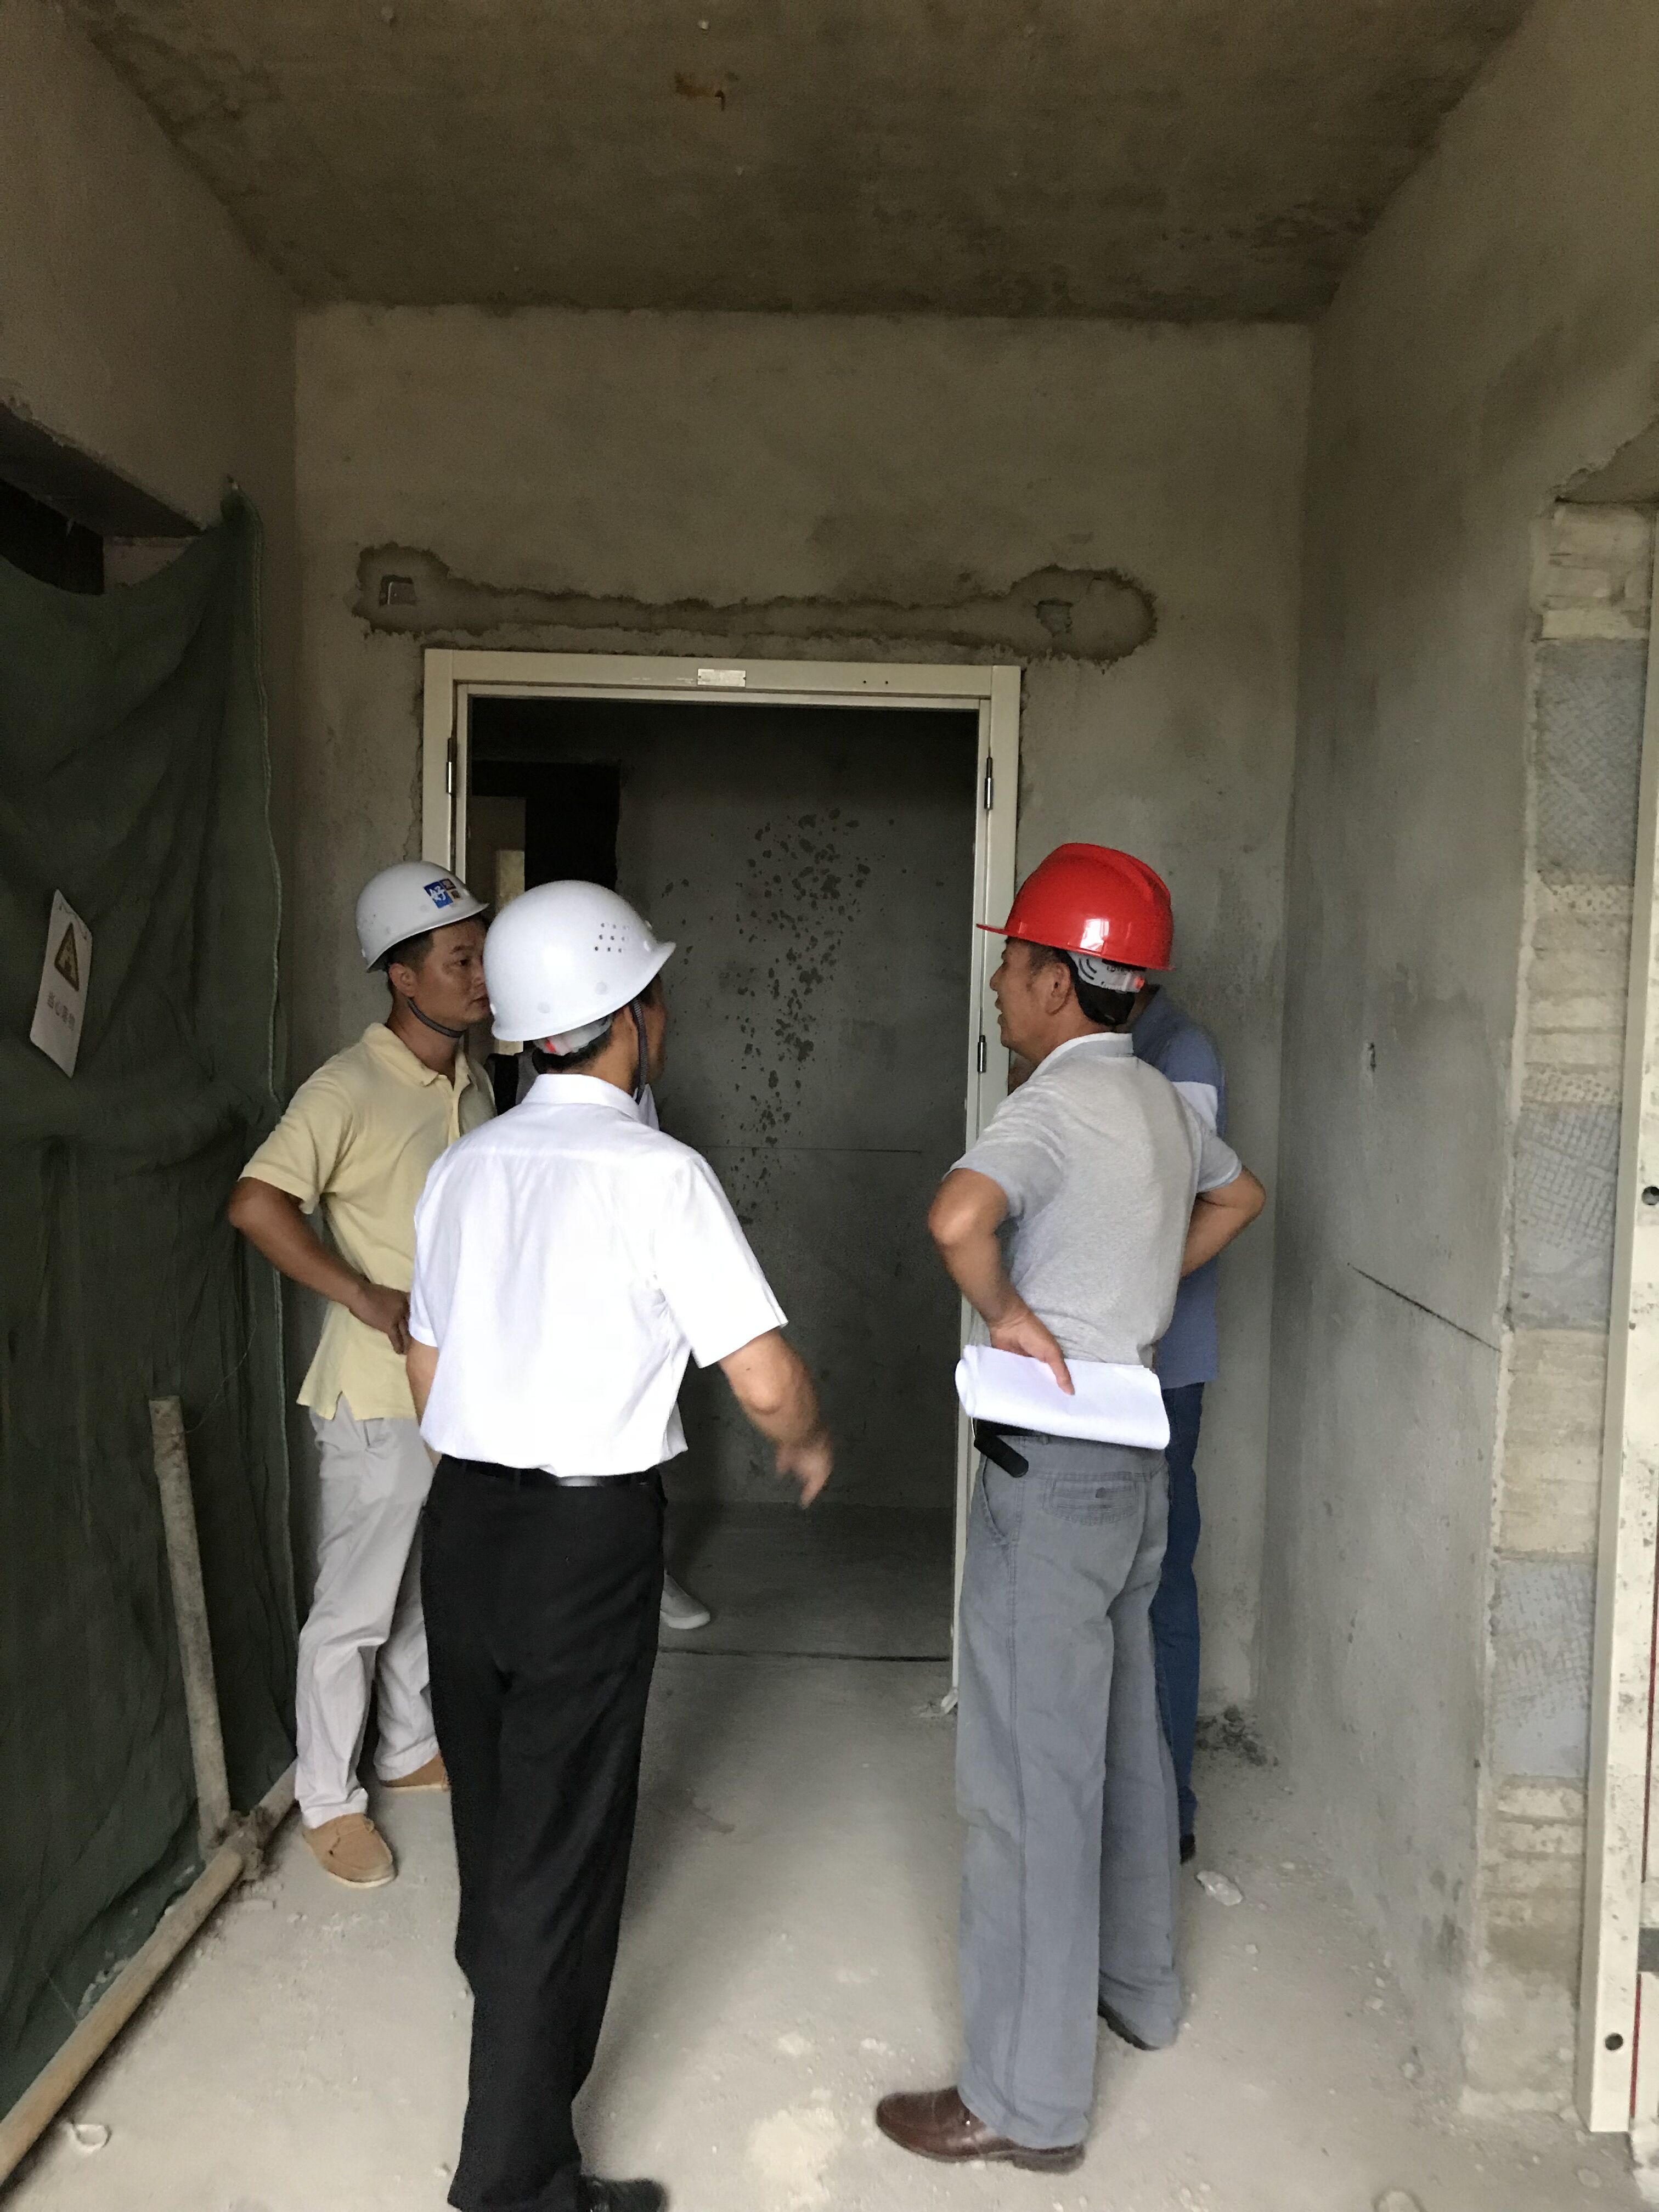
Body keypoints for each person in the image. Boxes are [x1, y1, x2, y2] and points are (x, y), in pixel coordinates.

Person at [406, 880, 833, 2212]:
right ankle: (516, 2183)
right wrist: (806, 1441)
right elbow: (764, 1377)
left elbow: (425, 1366)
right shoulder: (661, 1176)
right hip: (585, 1537)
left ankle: (502, 1996)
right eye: (657, 995)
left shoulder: (465, 1167)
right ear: (629, 1015)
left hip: (462, 1520)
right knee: (566, 1843)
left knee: (495, 1804)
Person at [876, 843, 1265, 2173]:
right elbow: (1242, 1195)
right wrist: (1135, 1298)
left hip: (1054, 1477)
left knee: (1026, 1785)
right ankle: (1138, 1990)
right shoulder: (1159, 1097)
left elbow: (957, 1219)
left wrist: (1015, 1315)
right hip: (1138, 1457)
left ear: (1058, 980)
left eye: (1013, 963)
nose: (998, 983)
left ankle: (1024, 2103)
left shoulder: (1049, 1105)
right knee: (1125, 1743)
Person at [228, 862, 491, 1887]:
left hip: (451, 1394)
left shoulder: (471, 1084)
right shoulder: (348, 1086)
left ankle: (406, 1747)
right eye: (460, 960)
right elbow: (257, 1203)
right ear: (402, 978)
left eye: (482, 955)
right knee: (353, 1610)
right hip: (376, 1398)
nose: (481, 977)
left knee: (425, 1583)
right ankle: (329, 1802)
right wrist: (363, 1294)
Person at [1128, 979, 1227, 1862]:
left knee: (1159, 1584)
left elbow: (1196, 1201)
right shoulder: (1111, 1051)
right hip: (1112, 1365)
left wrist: (1134, 1303)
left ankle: (1169, 1807)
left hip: (1161, 1372)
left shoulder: (1181, 1053)